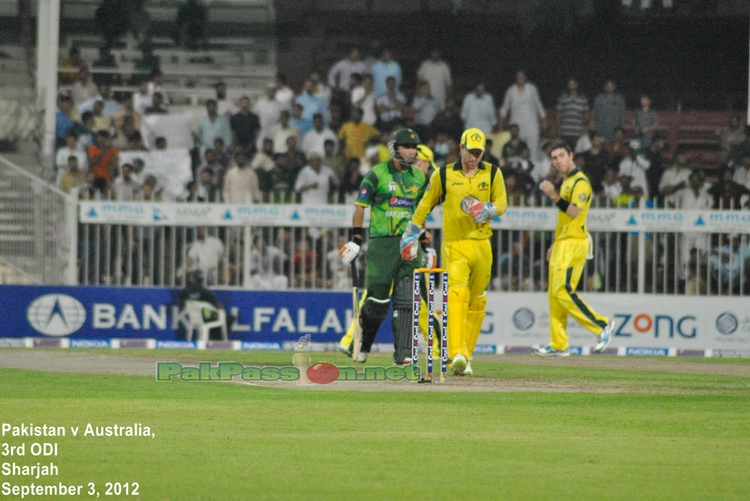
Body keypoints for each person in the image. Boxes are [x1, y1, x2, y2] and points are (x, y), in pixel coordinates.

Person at [401, 128, 507, 376]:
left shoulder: (493, 173)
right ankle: (455, 353)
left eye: (478, 153)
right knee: (457, 296)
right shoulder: (444, 175)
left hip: (483, 244)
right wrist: (410, 233)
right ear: (461, 148)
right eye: (470, 152)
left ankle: (465, 357)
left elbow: (502, 202)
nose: (474, 158)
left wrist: (490, 209)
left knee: (477, 302)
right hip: (455, 244)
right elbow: (425, 204)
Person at [339, 128, 428, 364]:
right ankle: (363, 344)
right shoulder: (377, 174)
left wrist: (425, 242)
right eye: (406, 147)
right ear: (394, 149)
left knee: (408, 298)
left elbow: (420, 212)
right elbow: (360, 207)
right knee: (377, 303)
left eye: (414, 148)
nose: (410, 152)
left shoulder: (419, 178)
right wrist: (356, 239)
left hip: (409, 244)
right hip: (382, 244)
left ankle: (404, 353)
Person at [534, 142, 615, 356]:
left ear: (571, 156)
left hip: (575, 243)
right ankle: (559, 343)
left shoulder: (581, 182)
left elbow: (574, 213)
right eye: (554, 158)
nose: (558, 161)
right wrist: (554, 243)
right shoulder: (568, 181)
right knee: (554, 294)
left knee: (562, 291)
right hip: (563, 242)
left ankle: (602, 325)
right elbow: (563, 219)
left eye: (561, 156)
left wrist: (553, 195)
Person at [499, 70, 547, 162]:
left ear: (525, 78)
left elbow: (539, 105)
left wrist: (544, 120)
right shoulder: (511, 90)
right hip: (516, 127)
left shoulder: (532, 88)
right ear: (516, 78)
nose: (521, 78)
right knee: (517, 152)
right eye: (519, 76)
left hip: (531, 126)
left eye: (522, 76)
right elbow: (504, 108)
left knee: (533, 153)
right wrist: (501, 126)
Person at [179, 270, 232, 340]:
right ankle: (217, 339)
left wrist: (192, 305)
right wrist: (221, 307)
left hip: (193, 318)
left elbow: (180, 302)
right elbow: (216, 304)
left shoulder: (185, 291)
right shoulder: (205, 291)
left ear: (193, 279)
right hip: (206, 317)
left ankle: (211, 337)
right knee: (228, 317)